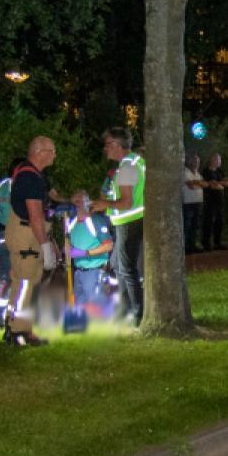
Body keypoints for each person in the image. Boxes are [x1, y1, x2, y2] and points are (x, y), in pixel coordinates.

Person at [2, 136, 58, 344]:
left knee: (27, 281)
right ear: (39, 152)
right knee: (25, 283)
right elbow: (35, 215)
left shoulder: (29, 174)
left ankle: (19, 326)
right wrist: (45, 244)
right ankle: (17, 330)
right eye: (52, 151)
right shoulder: (30, 177)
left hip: (26, 232)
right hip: (27, 234)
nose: (54, 155)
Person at [93, 128, 145, 325]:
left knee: (127, 269)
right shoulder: (133, 163)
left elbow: (126, 202)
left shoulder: (127, 167)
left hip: (129, 222)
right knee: (120, 266)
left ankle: (137, 315)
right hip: (129, 222)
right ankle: (126, 311)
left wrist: (104, 204)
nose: (105, 149)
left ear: (116, 145)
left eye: (107, 144)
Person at [65, 192, 115, 317]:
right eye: (75, 196)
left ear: (88, 201)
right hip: (78, 273)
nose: (77, 199)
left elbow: (108, 245)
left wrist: (85, 253)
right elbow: (69, 245)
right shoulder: (72, 223)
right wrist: (67, 249)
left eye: (81, 197)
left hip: (95, 272)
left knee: (97, 310)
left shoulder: (95, 221)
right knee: (81, 310)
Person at [201, 152, 227, 250]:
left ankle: (217, 242)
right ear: (212, 160)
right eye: (218, 159)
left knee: (219, 221)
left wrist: (218, 183)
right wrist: (219, 184)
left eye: (220, 159)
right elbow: (210, 184)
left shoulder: (220, 171)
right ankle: (206, 243)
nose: (219, 161)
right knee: (208, 221)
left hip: (220, 201)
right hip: (210, 200)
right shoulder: (206, 171)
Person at [182, 153, 205, 253]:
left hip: (198, 202)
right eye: (194, 161)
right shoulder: (185, 172)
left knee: (195, 225)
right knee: (187, 225)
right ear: (189, 162)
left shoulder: (198, 174)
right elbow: (191, 185)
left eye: (198, 162)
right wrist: (199, 183)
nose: (196, 163)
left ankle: (193, 244)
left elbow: (205, 184)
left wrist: (197, 183)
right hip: (188, 203)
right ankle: (186, 246)